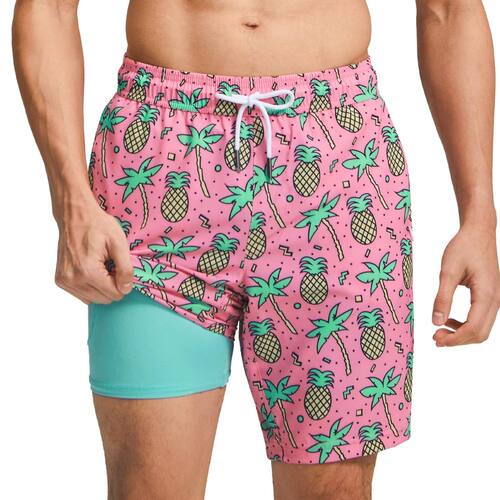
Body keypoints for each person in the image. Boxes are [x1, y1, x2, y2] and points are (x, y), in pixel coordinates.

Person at [12, 0, 499, 498]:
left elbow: (449, 11)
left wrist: (479, 216)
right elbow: (49, 8)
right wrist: (70, 200)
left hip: (336, 158)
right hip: (162, 155)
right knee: (147, 489)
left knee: (332, 490)